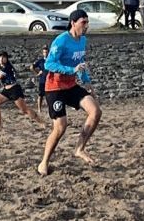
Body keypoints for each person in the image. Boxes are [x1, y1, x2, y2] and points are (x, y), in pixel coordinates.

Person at [37, 9, 102, 176]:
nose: (86, 26)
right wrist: (71, 69)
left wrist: (87, 83)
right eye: (83, 23)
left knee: (95, 111)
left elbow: (80, 63)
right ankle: (44, 162)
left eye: (87, 22)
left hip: (71, 85)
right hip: (55, 87)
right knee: (60, 127)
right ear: (73, 23)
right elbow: (49, 64)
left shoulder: (82, 40)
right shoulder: (61, 41)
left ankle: (79, 149)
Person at [0, 52, 43, 129]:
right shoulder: (4, 67)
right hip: (6, 90)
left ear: (6, 59)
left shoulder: (6, 67)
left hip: (14, 90)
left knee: (24, 110)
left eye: (3, 58)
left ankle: (41, 122)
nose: (1, 59)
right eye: (0, 58)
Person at [31, 46, 49, 112]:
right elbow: (31, 67)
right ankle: (39, 109)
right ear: (43, 53)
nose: (45, 53)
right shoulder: (41, 61)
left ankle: (50, 108)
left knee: (49, 95)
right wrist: (37, 73)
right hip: (42, 80)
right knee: (40, 95)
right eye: (44, 52)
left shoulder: (51, 60)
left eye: (46, 52)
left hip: (50, 80)